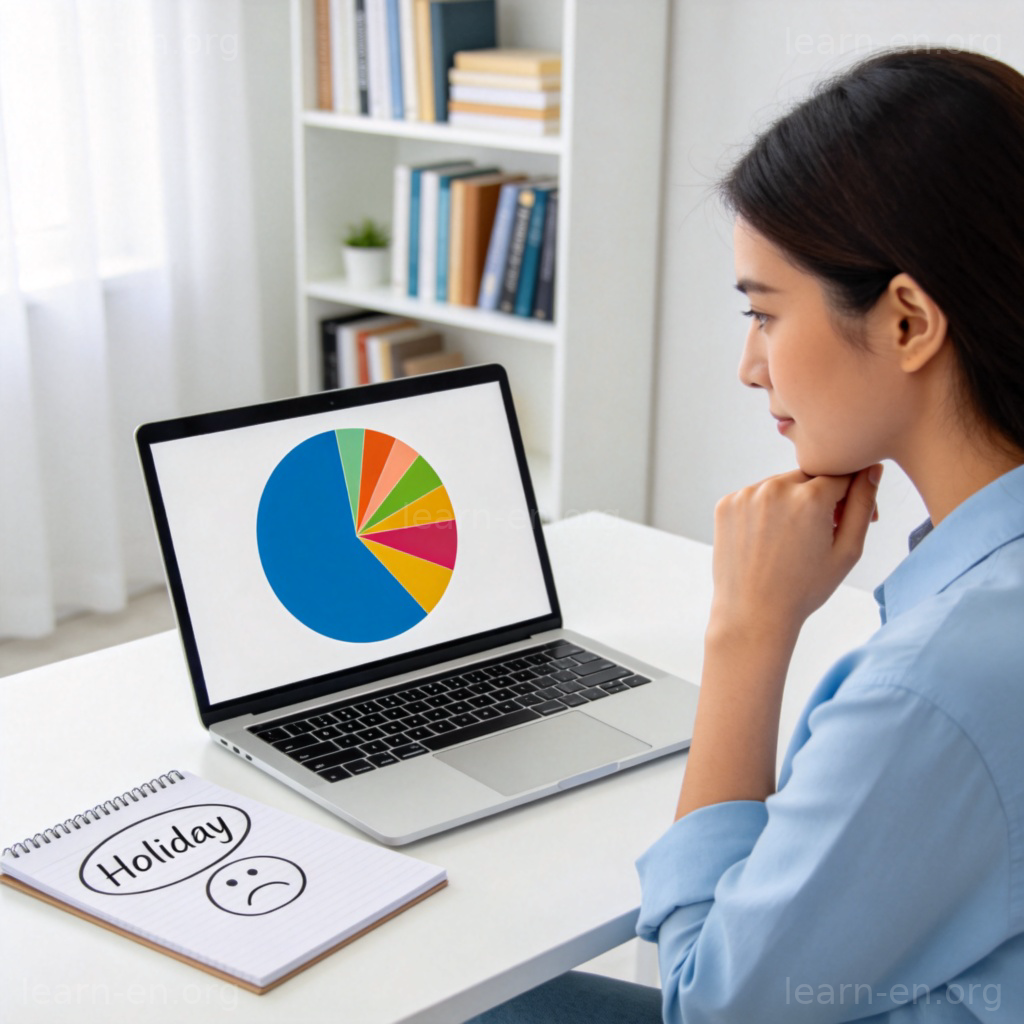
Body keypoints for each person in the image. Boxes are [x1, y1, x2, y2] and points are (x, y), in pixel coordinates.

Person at [468, 46, 1024, 1022]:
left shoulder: (942, 677)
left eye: (764, 314)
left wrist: (748, 630)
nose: (748, 366)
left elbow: (712, 1006)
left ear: (906, 322)